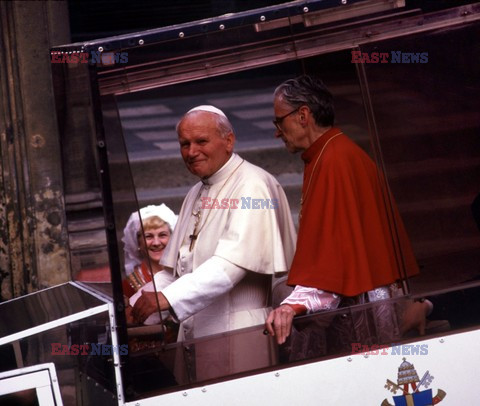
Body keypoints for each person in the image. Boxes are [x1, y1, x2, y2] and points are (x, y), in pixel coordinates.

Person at [131, 105, 296, 380]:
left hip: (240, 333)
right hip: (197, 333)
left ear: (228, 141)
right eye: (185, 144)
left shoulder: (252, 185)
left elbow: (230, 266)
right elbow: (179, 270)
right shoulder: (196, 192)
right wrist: (135, 304)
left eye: (201, 141)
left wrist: (167, 298)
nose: (191, 151)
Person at [265, 75, 420, 350]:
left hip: (358, 313)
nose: (277, 131)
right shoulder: (333, 152)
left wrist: (293, 305)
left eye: (279, 121)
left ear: (303, 115)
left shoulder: (334, 161)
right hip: (364, 300)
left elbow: (333, 259)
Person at [122, 204, 177, 327]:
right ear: (138, 243)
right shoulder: (128, 284)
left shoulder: (183, 271)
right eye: (149, 236)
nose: (156, 243)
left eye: (162, 235)